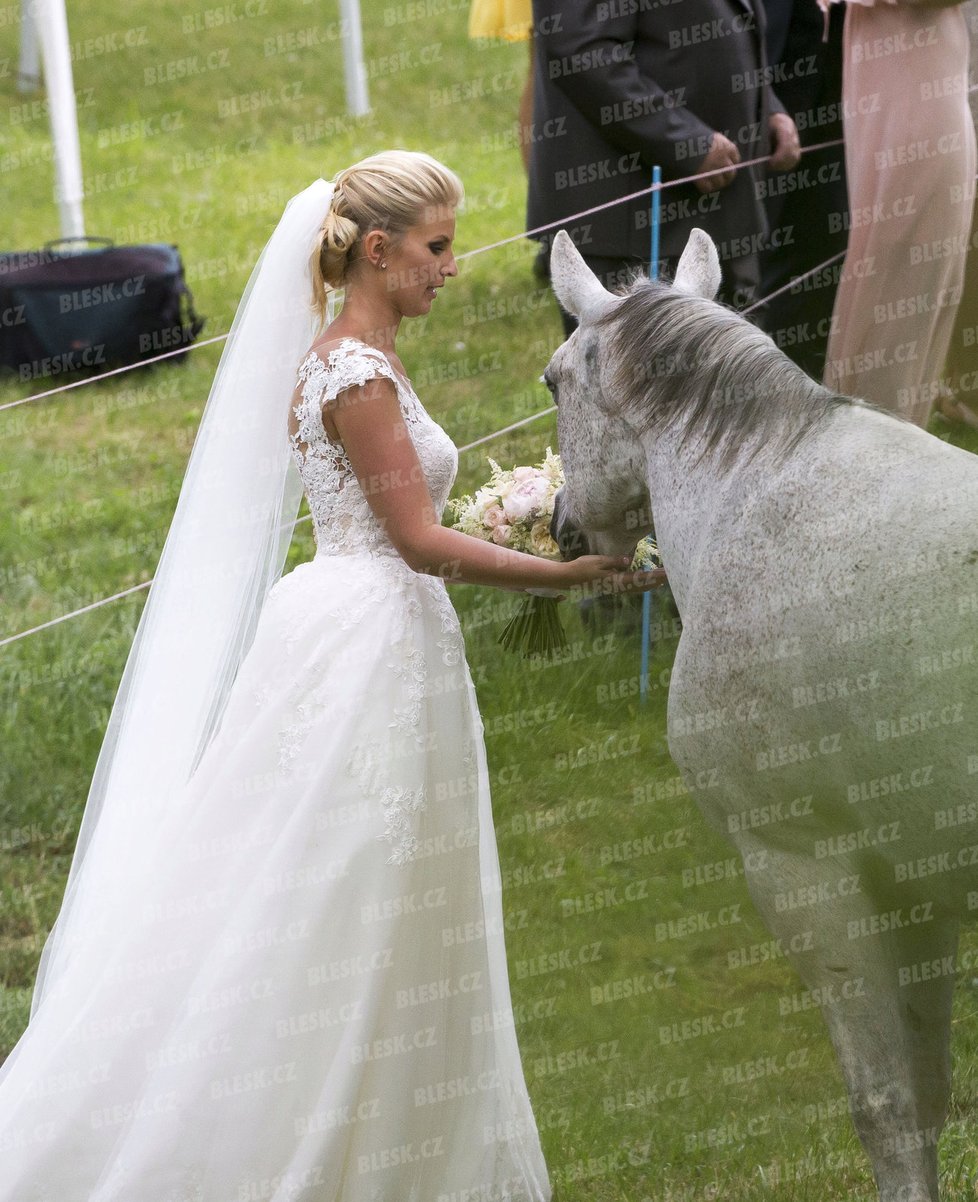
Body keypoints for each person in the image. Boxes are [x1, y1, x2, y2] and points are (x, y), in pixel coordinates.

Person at [0, 152, 664, 1200]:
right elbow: (415, 539)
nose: (455, 266)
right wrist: (561, 569)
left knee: (382, 885)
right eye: (439, 248)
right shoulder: (354, 373)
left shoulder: (366, 354)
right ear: (378, 250)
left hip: (374, 629)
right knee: (344, 879)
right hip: (369, 640)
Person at [526, 0, 803, 335]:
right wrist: (684, 141)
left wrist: (765, 108)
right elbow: (580, 48)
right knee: (632, 383)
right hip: (628, 224)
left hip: (721, 213)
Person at [821, 0, 977, 425]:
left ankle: (888, 437)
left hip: (925, 94)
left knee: (917, 276)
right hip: (902, 94)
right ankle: (871, 437)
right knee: (894, 271)